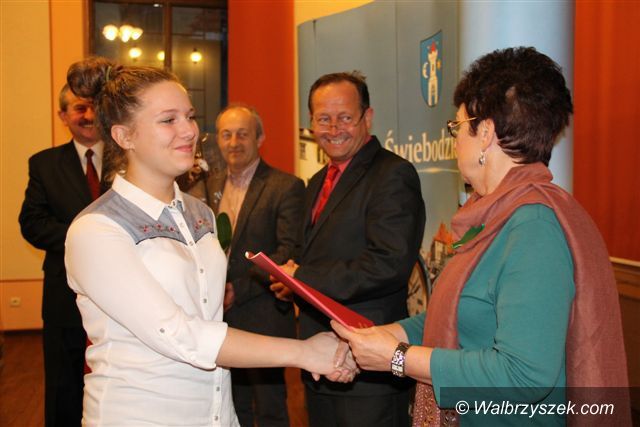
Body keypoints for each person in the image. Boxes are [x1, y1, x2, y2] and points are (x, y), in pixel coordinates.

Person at [332, 47, 631, 426]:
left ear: (485, 132)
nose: (455, 140)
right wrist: (378, 336)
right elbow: (455, 316)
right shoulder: (493, 214)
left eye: (457, 127)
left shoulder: (533, 227)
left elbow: (524, 376)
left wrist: (398, 358)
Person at [62, 57, 355, 426]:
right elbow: (181, 335)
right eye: (168, 120)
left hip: (216, 413)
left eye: (190, 116)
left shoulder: (199, 212)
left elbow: (209, 314)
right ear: (124, 136)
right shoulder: (97, 230)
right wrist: (304, 352)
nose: (188, 131)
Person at [271, 71, 426, 427]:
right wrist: (290, 280)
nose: (333, 128)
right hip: (319, 361)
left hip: (368, 370)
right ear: (311, 123)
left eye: (345, 117)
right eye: (323, 119)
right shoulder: (316, 182)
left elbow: (388, 264)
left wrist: (304, 277)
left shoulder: (393, 174)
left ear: (367, 117)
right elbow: (314, 255)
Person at [182, 104, 305, 427]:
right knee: (230, 408)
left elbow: (288, 250)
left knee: (270, 410)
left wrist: (239, 288)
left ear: (259, 138)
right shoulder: (206, 187)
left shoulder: (285, 186)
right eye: (226, 135)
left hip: (263, 315)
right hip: (219, 319)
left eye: (242, 134)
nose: (234, 143)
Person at [19, 83, 108, 427]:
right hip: (63, 297)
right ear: (63, 115)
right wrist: (86, 236)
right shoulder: (43, 164)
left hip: (120, 296)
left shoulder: (128, 160)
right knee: (64, 390)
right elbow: (32, 224)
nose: (88, 115)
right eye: (79, 108)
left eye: (94, 106)